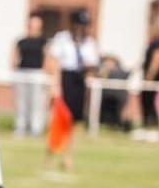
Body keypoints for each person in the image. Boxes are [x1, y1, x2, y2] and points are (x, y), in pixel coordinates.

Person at [44, 9, 99, 173]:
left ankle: (67, 157)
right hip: (65, 79)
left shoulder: (89, 43)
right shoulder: (62, 39)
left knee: (74, 122)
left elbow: (91, 65)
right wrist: (56, 86)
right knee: (59, 120)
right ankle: (50, 156)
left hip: (79, 80)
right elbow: (54, 62)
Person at [12, 14, 47, 137]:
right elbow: (15, 57)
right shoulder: (21, 41)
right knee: (21, 102)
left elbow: (47, 57)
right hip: (22, 72)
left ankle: (35, 128)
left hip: (37, 73)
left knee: (36, 102)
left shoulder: (43, 41)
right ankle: (20, 126)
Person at [136, 18, 159, 141]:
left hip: (151, 76)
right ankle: (146, 126)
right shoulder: (152, 43)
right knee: (145, 101)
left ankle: (153, 127)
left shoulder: (158, 43)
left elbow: (156, 60)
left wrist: (150, 75)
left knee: (150, 102)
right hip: (147, 74)